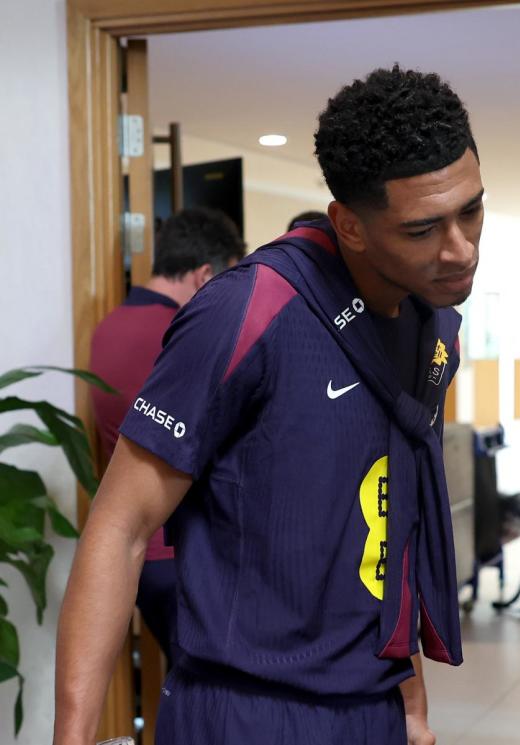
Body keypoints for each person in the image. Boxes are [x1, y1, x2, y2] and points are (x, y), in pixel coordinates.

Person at [56, 65, 483, 745]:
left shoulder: (434, 328)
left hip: (372, 707)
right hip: (243, 711)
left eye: (472, 210)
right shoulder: (248, 311)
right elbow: (121, 526)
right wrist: (73, 737)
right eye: (423, 229)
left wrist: (412, 703)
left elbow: (385, 520)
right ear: (348, 225)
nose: (461, 249)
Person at [89, 208, 245, 664]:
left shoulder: (108, 326)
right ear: (203, 275)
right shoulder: (183, 334)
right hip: (183, 552)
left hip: (138, 554)